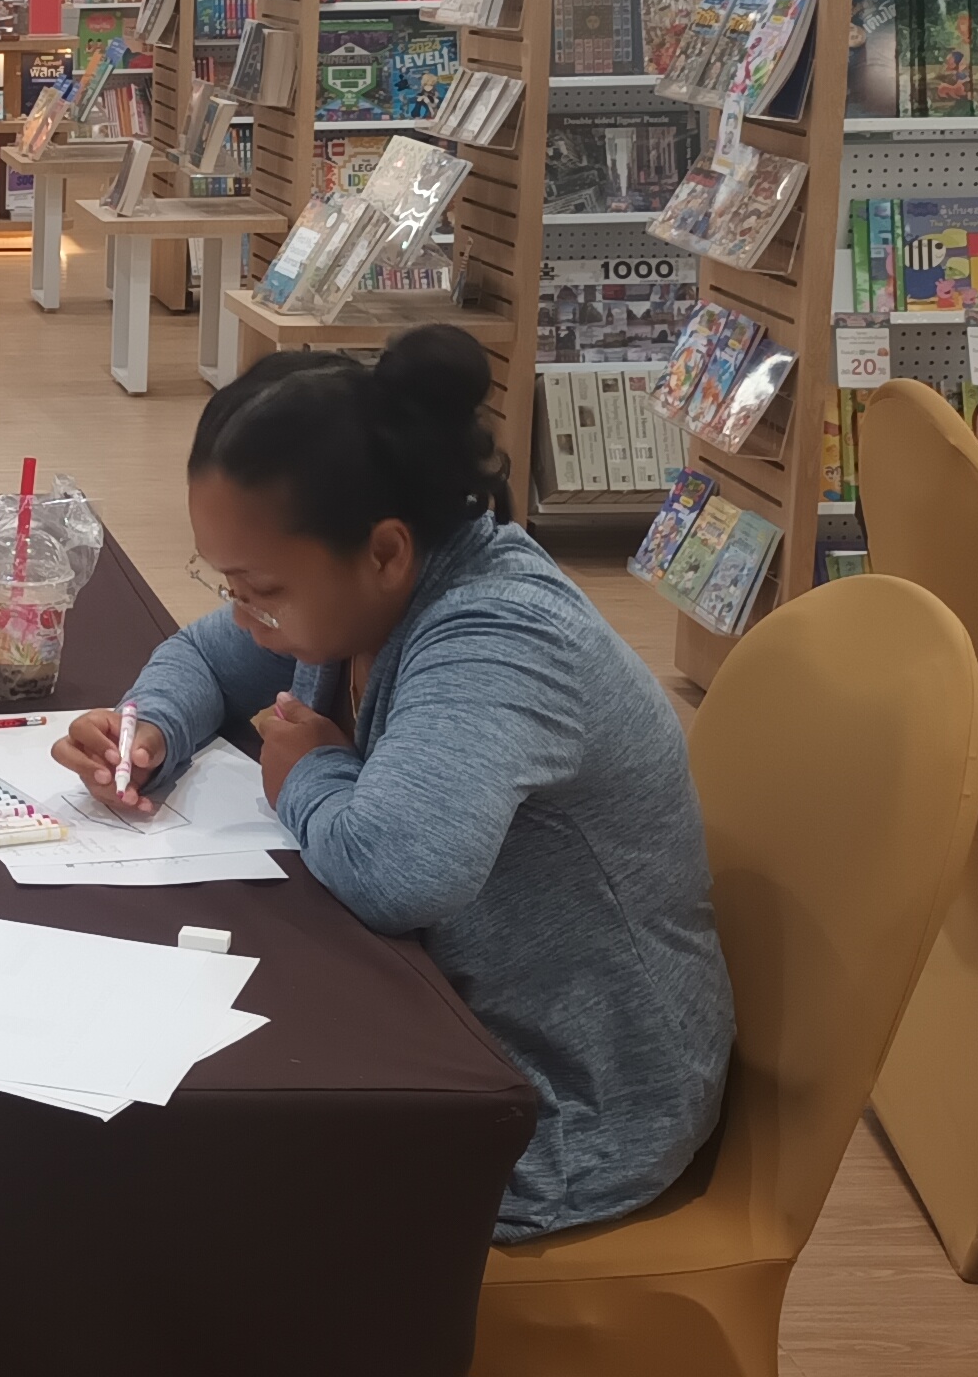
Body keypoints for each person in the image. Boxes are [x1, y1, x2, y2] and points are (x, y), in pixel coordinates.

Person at [52, 327, 732, 1243]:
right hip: (436, 1015)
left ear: (384, 552)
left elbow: (397, 870)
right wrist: (155, 729)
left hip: (561, 1108)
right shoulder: (354, 598)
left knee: (153, 1176)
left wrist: (309, 771)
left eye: (260, 589)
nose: (244, 615)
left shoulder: (498, 637)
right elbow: (205, 656)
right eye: (227, 583)